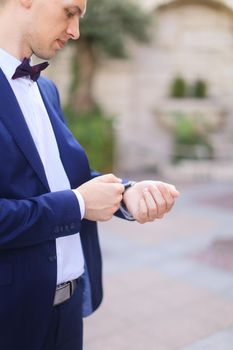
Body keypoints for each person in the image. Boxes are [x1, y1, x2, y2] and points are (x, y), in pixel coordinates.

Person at [0, 0, 180, 349]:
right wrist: (78, 204)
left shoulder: (46, 89)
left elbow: (65, 178)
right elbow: (73, 199)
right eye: (70, 12)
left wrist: (126, 192)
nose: (75, 31)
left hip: (68, 315)